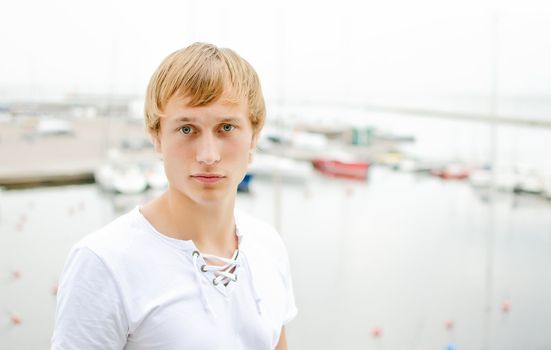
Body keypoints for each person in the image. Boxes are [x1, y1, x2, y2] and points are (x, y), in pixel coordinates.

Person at [52, 42, 297, 350]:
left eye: (226, 127)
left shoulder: (268, 245)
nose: (208, 155)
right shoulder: (105, 262)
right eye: (186, 130)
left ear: (254, 136)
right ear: (157, 137)